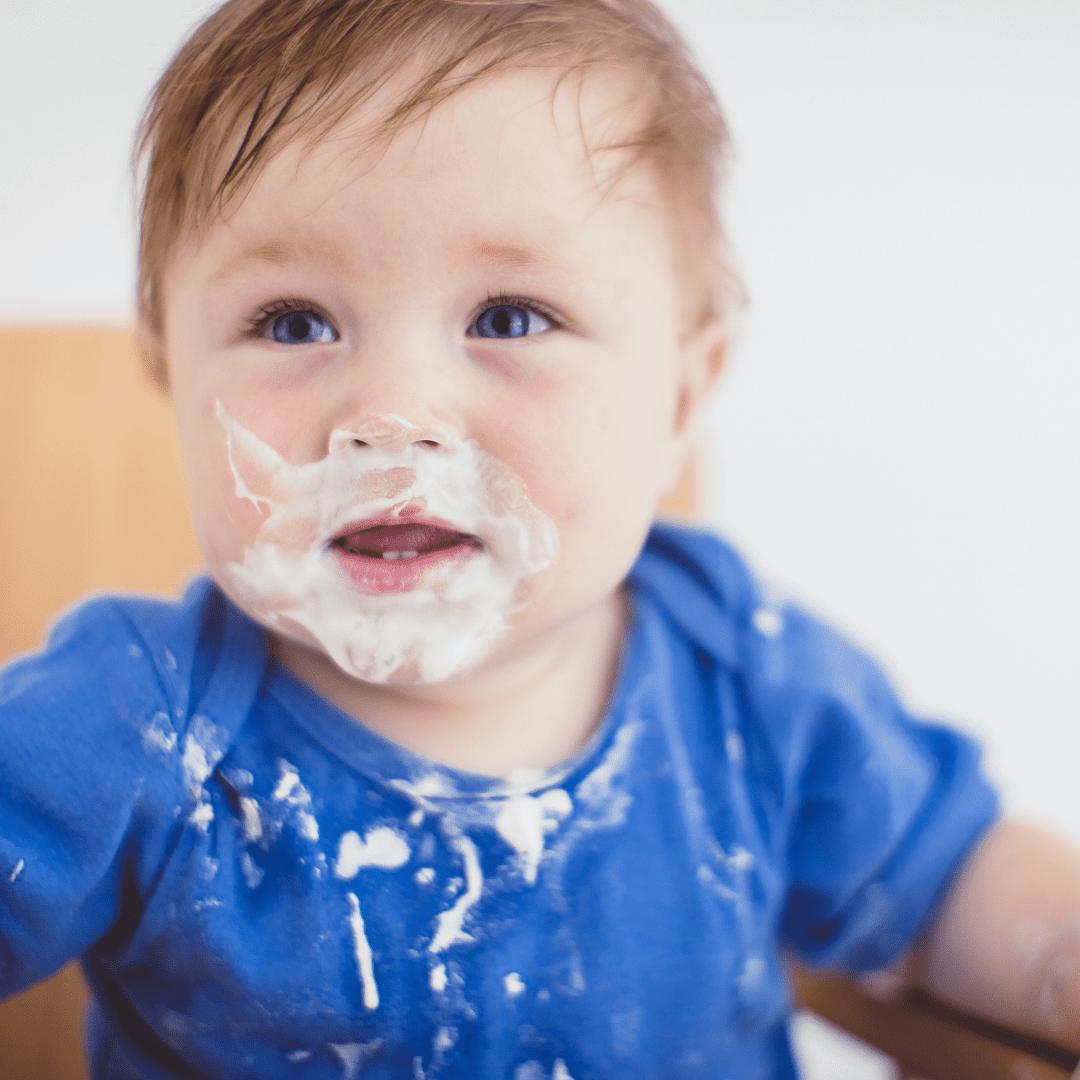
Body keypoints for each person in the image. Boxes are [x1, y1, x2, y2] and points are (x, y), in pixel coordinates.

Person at [2, 2, 1079, 1078]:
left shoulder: (749, 681)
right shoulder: (127, 727)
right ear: (174, 379)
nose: (394, 413)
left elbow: (952, 887)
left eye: (509, 317)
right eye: (292, 322)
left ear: (678, 399)